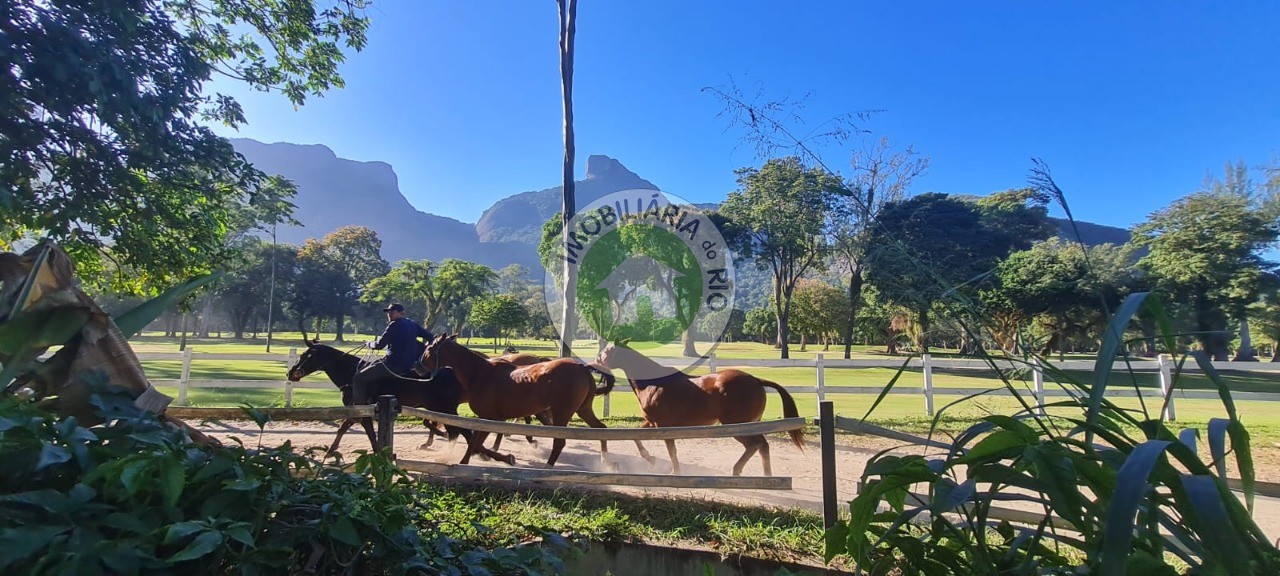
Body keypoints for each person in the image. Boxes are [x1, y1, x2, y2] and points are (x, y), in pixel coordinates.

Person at [351, 303, 435, 404]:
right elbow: (431, 337)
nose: (389, 314)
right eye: (388, 312)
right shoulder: (412, 324)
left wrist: (369, 343)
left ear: (401, 313)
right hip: (411, 365)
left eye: (392, 312)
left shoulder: (394, 325)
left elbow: (379, 345)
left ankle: (358, 411)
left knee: (358, 378)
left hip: (392, 366)